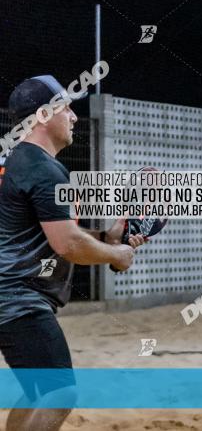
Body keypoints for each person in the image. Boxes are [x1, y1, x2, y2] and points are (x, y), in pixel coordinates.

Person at [0, 75, 145, 431]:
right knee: (60, 393)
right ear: (45, 115)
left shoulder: (14, 162)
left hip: (8, 298)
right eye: (66, 107)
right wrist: (117, 255)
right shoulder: (44, 170)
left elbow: (41, 232)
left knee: (38, 392)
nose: (74, 116)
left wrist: (107, 236)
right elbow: (68, 245)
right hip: (18, 299)